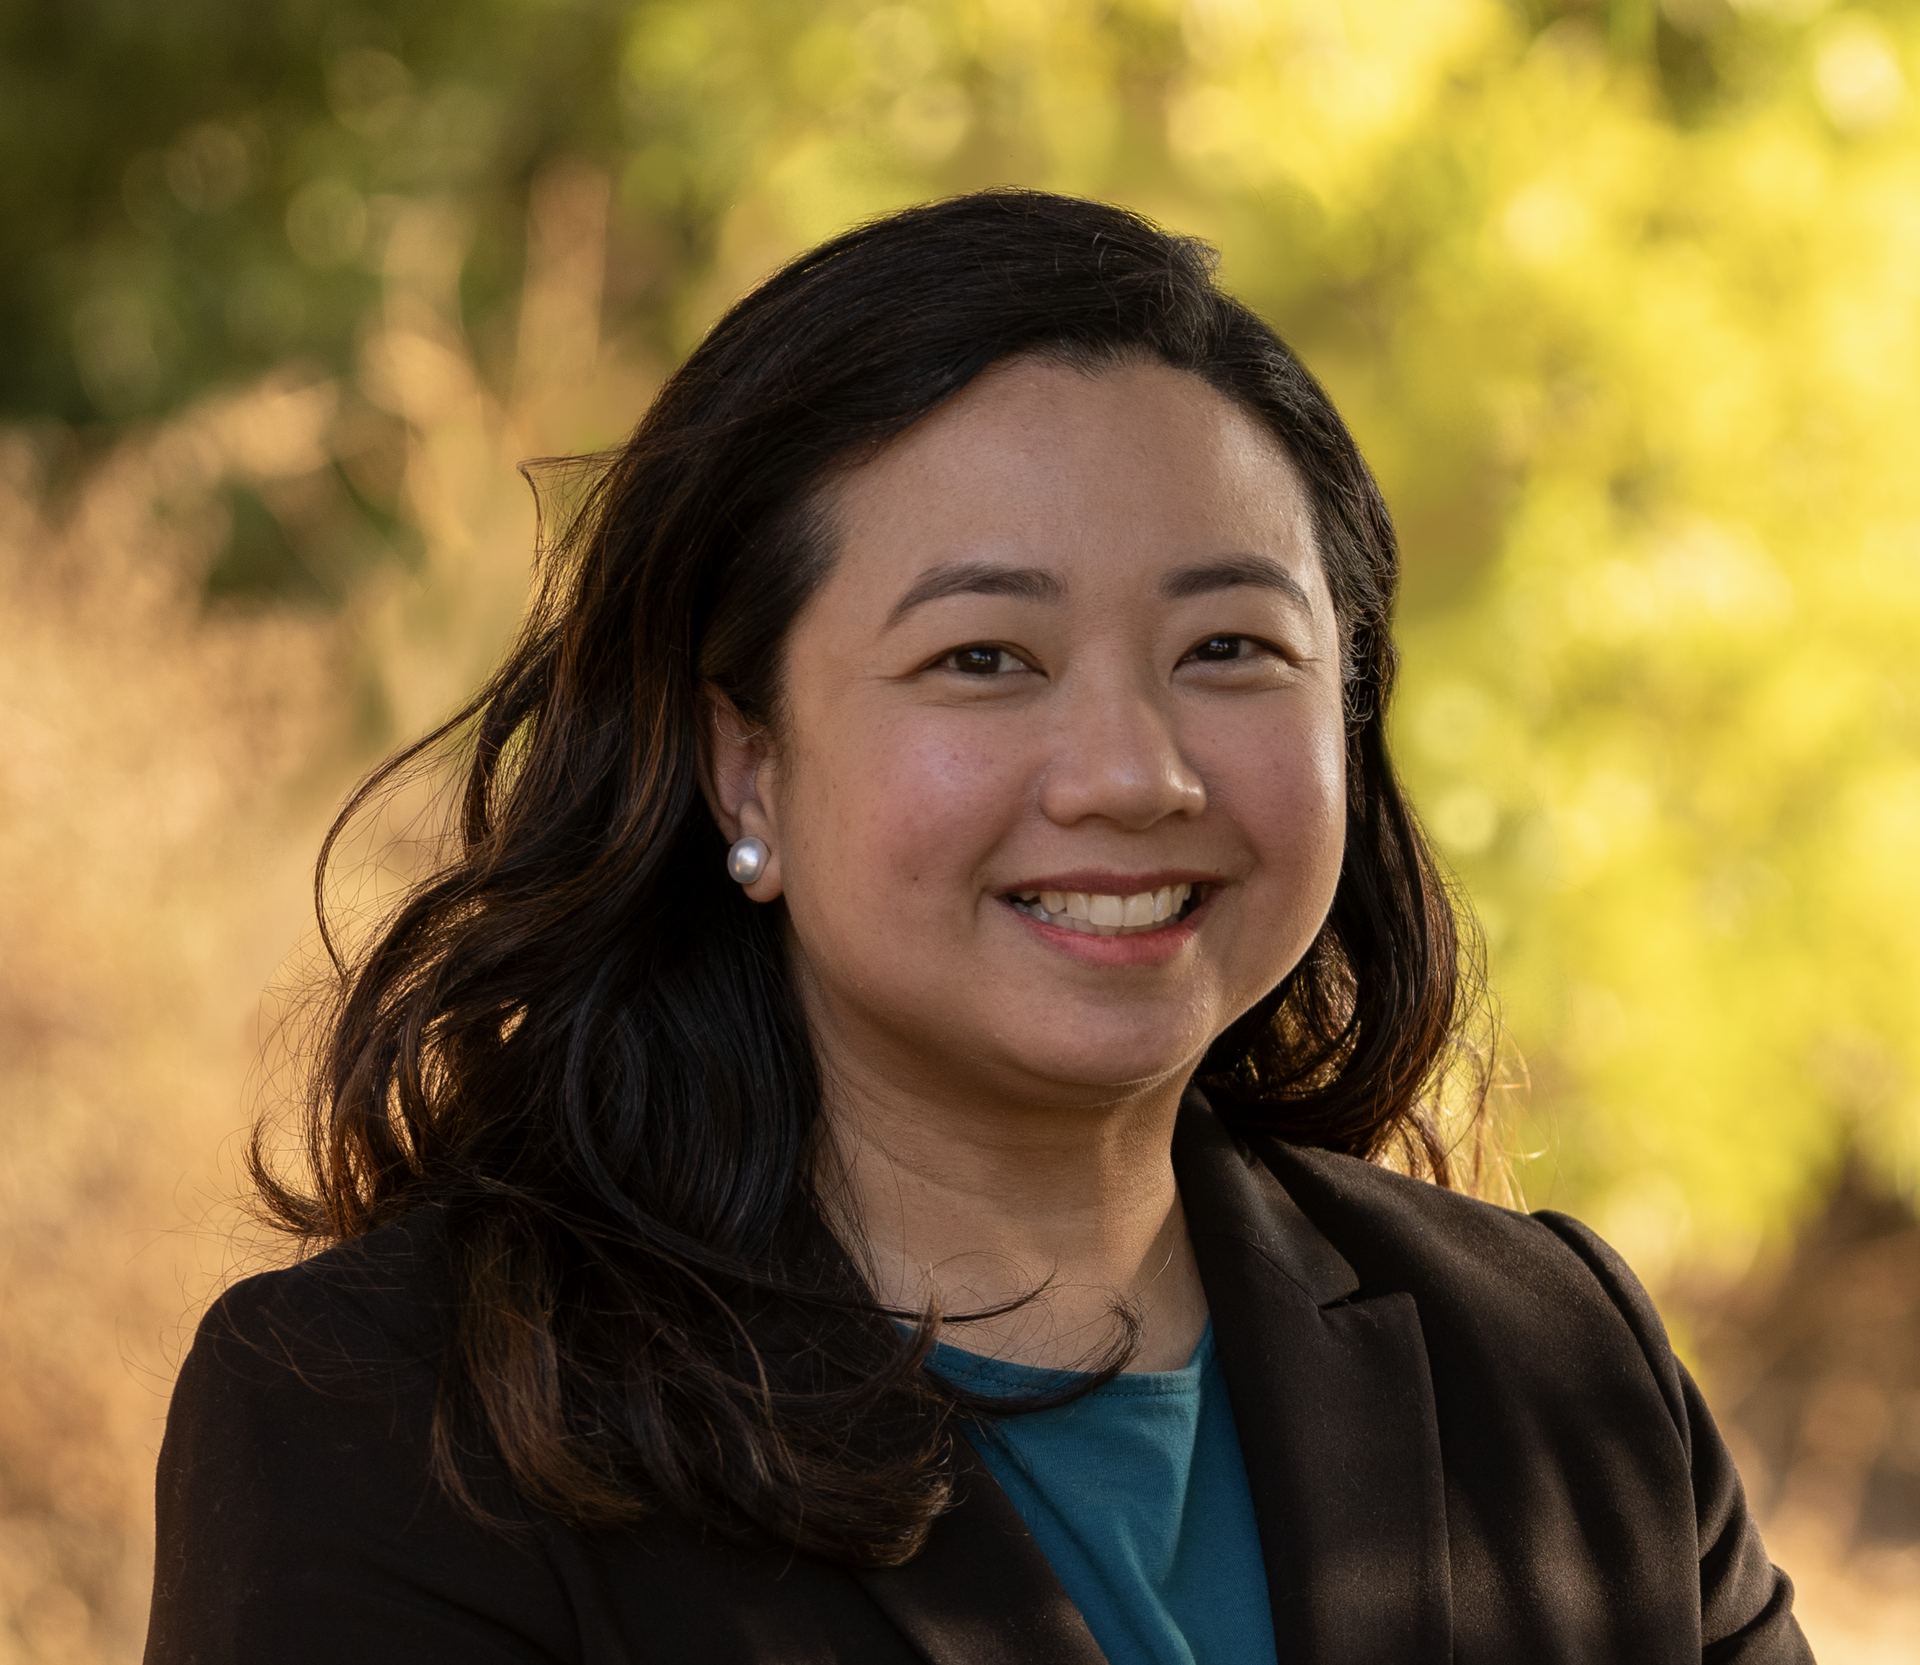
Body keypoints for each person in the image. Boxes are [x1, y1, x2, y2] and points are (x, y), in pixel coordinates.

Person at [145, 190, 1812, 1664]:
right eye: (982, 659)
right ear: (748, 767)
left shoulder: (1557, 1359)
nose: (1132, 775)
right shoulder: (396, 1417)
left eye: (1231, 648)